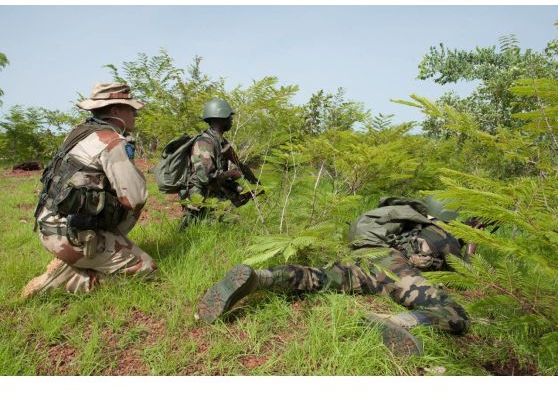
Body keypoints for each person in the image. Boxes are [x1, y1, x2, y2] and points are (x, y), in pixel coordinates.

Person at [197, 197, 471, 356]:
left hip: (364, 256)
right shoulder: (443, 233)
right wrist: (469, 242)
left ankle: (260, 278)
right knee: (454, 312)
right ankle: (399, 322)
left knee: (317, 277)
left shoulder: (408, 220)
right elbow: (466, 272)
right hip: (390, 266)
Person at [22, 82, 157, 298]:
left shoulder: (78, 132)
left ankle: (78, 259)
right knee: (146, 269)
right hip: (72, 235)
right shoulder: (111, 141)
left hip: (50, 225)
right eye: (131, 109)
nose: (135, 115)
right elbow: (136, 198)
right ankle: (68, 279)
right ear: (115, 111)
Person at [178, 98, 256, 230]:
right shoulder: (205, 142)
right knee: (195, 229)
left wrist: (241, 188)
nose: (231, 120)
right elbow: (205, 177)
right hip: (200, 197)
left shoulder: (219, 141)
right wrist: (232, 173)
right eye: (228, 116)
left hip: (213, 192)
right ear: (219, 118)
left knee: (235, 218)